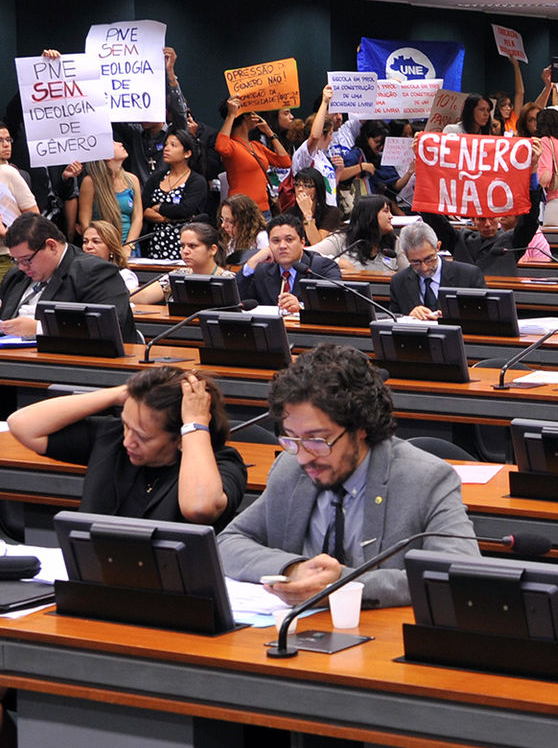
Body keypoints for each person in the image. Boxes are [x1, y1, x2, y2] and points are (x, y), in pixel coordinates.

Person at [218, 344, 477, 608]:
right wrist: (293, 568)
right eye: (291, 438)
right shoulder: (290, 469)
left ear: (360, 427)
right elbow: (228, 542)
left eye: (317, 440)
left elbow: (457, 573)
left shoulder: (427, 479)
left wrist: (341, 585)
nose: (304, 456)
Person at [8, 368, 246, 527]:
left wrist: (194, 422)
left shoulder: (223, 463)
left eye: (143, 436)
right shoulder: (112, 438)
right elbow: (22, 425)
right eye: (126, 426)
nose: (127, 441)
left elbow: (199, 507)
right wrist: (125, 393)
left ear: (181, 437)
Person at [0, 214, 136, 340]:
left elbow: (106, 327)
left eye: (27, 259)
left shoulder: (94, 272)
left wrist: (39, 328)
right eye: (16, 260)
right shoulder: (16, 276)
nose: (22, 267)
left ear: (51, 246)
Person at [237, 212, 343, 311]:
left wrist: (302, 307)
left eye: (289, 240)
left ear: (302, 242)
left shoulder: (322, 267)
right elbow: (237, 301)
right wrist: (253, 261)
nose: (282, 246)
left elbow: (336, 302)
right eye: (276, 241)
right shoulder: (262, 270)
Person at [390, 221, 485, 319]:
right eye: (415, 262)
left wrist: (450, 317)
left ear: (438, 247)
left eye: (429, 259)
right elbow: (394, 319)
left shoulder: (468, 276)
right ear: (404, 254)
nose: (424, 268)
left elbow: (484, 315)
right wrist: (408, 317)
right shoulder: (398, 282)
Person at [140, 129, 206, 262]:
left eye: (173, 145)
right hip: (155, 243)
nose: (166, 149)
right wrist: (170, 219)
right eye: (166, 144)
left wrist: (158, 207)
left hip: (183, 245)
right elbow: (143, 209)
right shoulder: (156, 178)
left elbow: (185, 210)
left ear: (187, 153)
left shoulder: (196, 181)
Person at [132, 221, 229, 306]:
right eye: (182, 246)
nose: (185, 251)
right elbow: (143, 295)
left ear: (212, 250)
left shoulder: (227, 279)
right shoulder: (178, 275)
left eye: (192, 246)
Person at [80, 220, 138, 294]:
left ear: (111, 248)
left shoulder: (125, 276)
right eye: (85, 242)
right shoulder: (75, 274)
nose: (88, 246)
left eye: (96, 241)